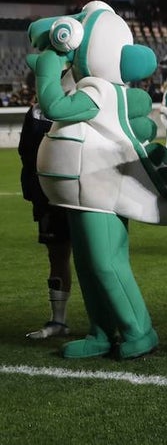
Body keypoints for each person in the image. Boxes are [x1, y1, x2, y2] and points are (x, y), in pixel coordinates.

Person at [20, 89, 73, 340]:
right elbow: (26, 153)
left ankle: (106, 323)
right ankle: (58, 321)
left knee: (97, 261)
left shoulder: (81, 105)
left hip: (84, 194)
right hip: (49, 197)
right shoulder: (36, 111)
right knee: (57, 257)